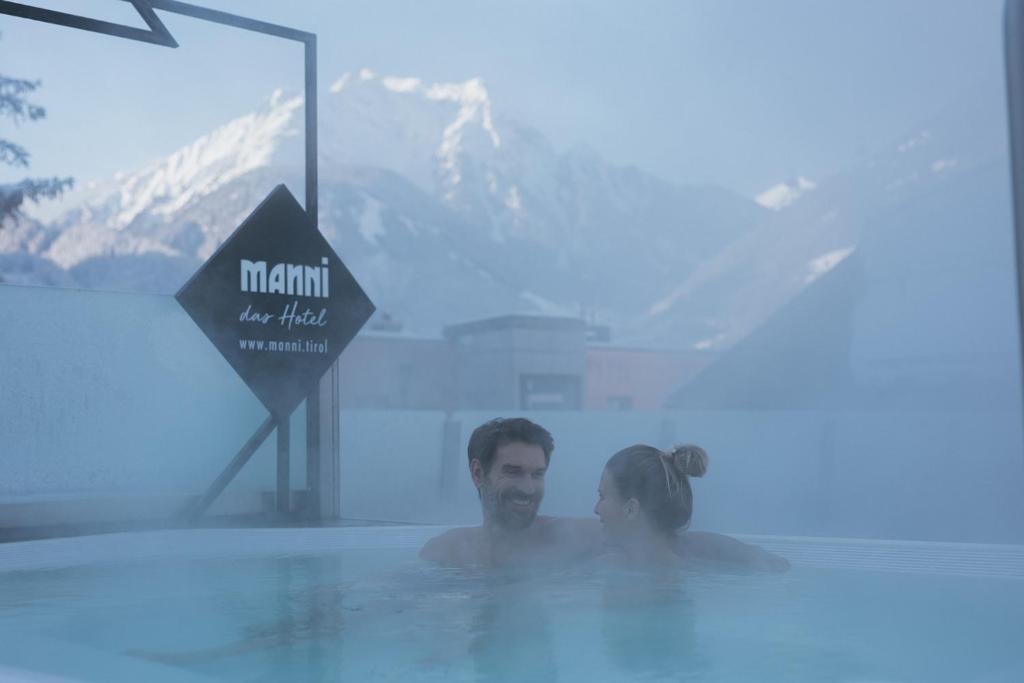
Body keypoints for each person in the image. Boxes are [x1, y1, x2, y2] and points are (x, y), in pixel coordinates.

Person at [419, 417, 598, 568]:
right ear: (478, 474)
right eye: (513, 472)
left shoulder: (574, 539)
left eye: (537, 474)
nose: (528, 488)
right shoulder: (445, 553)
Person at [595, 443, 789, 571]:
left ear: (631, 509)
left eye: (602, 497)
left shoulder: (613, 578)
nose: (596, 509)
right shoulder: (696, 563)